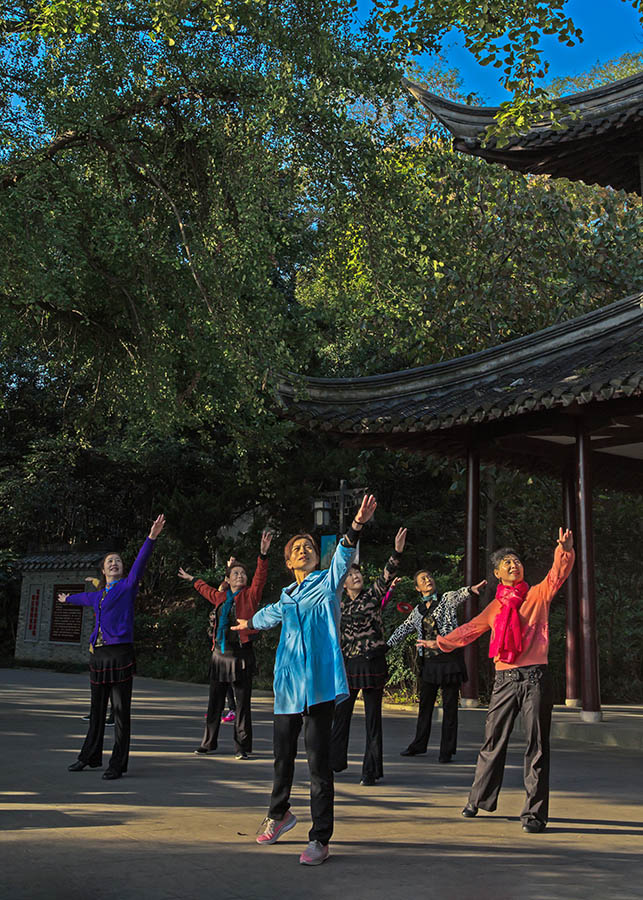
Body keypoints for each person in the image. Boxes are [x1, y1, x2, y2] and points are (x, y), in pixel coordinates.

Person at [232, 494, 377, 866]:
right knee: (282, 758)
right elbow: (269, 614)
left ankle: (320, 838)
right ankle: (279, 815)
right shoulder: (287, 596)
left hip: (319, 690)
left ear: (316, 557)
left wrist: (356, 526)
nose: (303, 550)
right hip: (287, 691)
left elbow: (343, 555)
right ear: (288, 560)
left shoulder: (328, 584)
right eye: (297, 548)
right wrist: (249, 623)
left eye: (308, 547)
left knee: (318, 765)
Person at [420, 528, 575, 833]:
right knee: (493, 740)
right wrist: (439, 642)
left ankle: (533, 814)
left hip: (535, 678)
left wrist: (564, 551)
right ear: (497, 573)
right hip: (505, 679)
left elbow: (558, 575)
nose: (513, 564)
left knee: (538, 746)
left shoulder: (537, 595)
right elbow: (469, 630)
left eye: (516, 560)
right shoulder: (494, 608)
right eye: (506, 562)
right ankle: (478, 798)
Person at [59, 514, 166, 780]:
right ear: (103, 570)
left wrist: (151, 537)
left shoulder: (128, 586)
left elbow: (140, 563)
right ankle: (89, 756)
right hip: (99, 657)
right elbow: (83, 597)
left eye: (118, 560)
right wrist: (67, 598)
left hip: (120, 655)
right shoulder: (99, 594)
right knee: (96, 710)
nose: (115, 563)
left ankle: (117, 764)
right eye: (110, 562)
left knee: (120, 713)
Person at [178, 531, 272, 759]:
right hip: (220, 654)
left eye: (243, 574)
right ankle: (208, 743)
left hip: (242, 654)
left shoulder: (251, 595)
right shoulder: (220, 597)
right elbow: (205, 589)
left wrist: (263, 554)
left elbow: (260, 576)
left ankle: (242, 747)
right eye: (235, 574)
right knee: (215, 703)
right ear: (227, 580)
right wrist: (192, 579)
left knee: (242, 705)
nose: (240, 576)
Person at [330, 527, 407, 786]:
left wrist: (396, 551)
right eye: (350, 575)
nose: (356, 577)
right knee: (341, 714)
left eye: (358, 573)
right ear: (343, 581)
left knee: (373, 719)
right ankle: (334, 762)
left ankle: (370, 771)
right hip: (349, 664)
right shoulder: (338, 604)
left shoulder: (372, 596)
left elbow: (387, 575)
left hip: (372, 662)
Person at [387, 570, 485, 762]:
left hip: (449, 660)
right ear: (417, 588)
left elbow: (460, 594)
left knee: (449, 706)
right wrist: (386, 645)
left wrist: (472, 590)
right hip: (429, 663)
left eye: (430, 577)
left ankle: (446, 751)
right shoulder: (417, 611)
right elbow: (403, 629)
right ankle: (418, 744)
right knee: (425, 706)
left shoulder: (446, 599)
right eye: (423, 579)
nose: (428, 580)